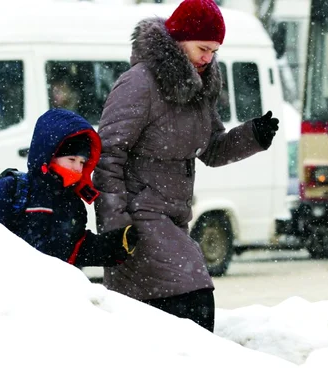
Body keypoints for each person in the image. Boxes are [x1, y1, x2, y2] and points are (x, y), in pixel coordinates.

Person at [92, 0, 279, 332]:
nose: (208, 57)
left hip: (176, 218)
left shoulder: (198, 89)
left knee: (183, 304)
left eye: (215, 50)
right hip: (139, 215)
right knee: (192, 292)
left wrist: (253, 135)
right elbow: (107, 155)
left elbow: (213, 149)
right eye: (203, 47)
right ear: (178, 39)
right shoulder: (140, 83)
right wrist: (115, 227)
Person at [0, 108, 137, 267]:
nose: (77, 168)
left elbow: (75, 250)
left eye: (82, 162)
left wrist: (114, 244)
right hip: (9, 286)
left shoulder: (73, 204)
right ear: (49, 155)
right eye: (71, 159)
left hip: (54, 289)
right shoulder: (13, 190)